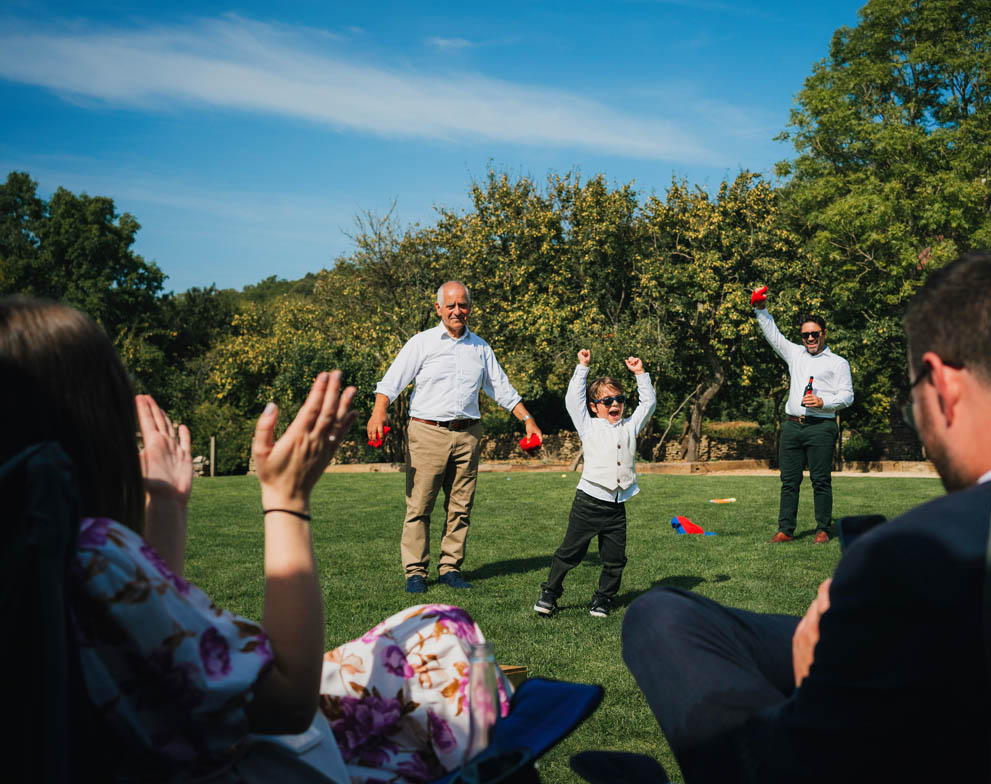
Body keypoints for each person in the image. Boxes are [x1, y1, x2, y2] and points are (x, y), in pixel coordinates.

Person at [622, 253, 991, 783]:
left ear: (943, 385)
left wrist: (813, 678)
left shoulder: (923, 551)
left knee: (659, 616)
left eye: (913, 396)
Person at [1, 297, 510, 782]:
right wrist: (287, 501)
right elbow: (286, 702)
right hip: (242, 764)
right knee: (446, 627)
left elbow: (149, 644)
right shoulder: (92, 558)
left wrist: (170, 510)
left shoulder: (47, 558)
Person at [367, 281, 542, 593]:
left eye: (462, 305)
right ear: (438, 309)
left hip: (468, 435)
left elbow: (501, 388)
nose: (457, 311)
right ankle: (416, 573)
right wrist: (379, 412)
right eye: (450, 305)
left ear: (470, 308)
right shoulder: (421, 343)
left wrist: (527, 420)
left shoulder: (481, 348)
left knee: (461, 507)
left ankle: (450, 568)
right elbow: (391, 382)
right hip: (426, 432)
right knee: (420, 505)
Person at [534, 350, 656, 619]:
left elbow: (648, 403)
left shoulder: (630, 426)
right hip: (588, 503)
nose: (615, 405)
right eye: (607, 400)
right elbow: (571, 400)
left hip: (616, 507)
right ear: (594, 406)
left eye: (620, 400)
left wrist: (639, 374)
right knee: (569, 553)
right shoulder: (588, 426)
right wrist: (582, 368)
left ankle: (602, 599)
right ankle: (549, 593)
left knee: (614, 560)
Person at [753, 295, 853, 544]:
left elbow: (848, 396)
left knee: (820, 480)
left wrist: (823, 403)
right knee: (789, 481)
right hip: (792, 427)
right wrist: (761, 308)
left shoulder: (838, 363)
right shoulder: (795, 354)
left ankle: (822, 529)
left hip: (821, 427)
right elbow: (773, 334)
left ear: (824, 334)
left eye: (814, 334)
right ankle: (785, 530)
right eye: (805, 335)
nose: (810, 338)